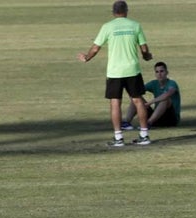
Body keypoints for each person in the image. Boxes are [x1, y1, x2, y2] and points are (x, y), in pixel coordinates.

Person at [77, 1, 154, 146]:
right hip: (132, 69)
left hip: (115, 71)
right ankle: (144, 134)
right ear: (126, 11)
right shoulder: (135, 25)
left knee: (115, 103)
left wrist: (86, 58)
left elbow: (95, 48)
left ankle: (118, 138)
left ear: (113, 12)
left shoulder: (107, 27)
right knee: (138, 100)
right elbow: (144, 48)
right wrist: (146, 56)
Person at [122, 61, 180, 129]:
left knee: (166, 100)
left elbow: (167, 94)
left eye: (162, 71)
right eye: (157, 72)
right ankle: (126, 122)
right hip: (157, 117)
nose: (159, 74)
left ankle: (148, 123)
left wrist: (150, 103)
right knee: (137, 98)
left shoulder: (172, 83)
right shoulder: (154, 83)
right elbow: (136, 91)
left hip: (170, 119)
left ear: (167, 72)